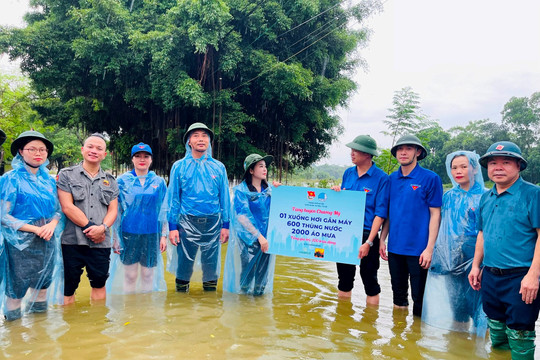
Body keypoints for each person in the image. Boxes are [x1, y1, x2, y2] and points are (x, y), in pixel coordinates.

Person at [468, 141, 540, 359]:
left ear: (519, 166)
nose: (498, 167)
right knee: (496, 326)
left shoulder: (532, 194)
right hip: (490, 275)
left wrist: (533, 276)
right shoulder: (485, 197)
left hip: (521, 277)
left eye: (506, 162)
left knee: (520, 333)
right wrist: (475, 266)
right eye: (493, 163)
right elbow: (482, 233)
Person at [0, 130, 63, 321]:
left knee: (42, 286)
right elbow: (4, 216)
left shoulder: (50, 181)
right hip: (19, 244)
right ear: (21, 151)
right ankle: (15, 337)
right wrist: (35, 229)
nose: (38, 153)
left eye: (42, 150)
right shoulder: (10, 179)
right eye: (32, 149)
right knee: (16, 290)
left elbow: (59, 210)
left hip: (47, 241)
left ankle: (39, 334)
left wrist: (52, 224)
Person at [422, 151, 487, 335]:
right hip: (451, 259)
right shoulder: (448, 197)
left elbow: (488, 232)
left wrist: (481, 263)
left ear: (474, 169)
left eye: (464, 167)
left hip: (476, 259)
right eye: (454, 167)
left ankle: (478, 345)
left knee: (478, 307)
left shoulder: (486, 196)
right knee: (457, 306)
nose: (458, 171)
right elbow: (439, 225)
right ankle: (457, 345)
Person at [380, 134, 443, 316]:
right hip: (395, 249)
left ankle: (417, 338)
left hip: (419, 251)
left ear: (418, 152)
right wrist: (382, 240)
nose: (403, 152)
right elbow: (389, 214)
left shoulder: (430, 178)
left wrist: (429, 248)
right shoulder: (391, 179)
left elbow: (435, 214)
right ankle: (399, 338)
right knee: (398, 297)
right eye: (400, 149)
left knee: (420, 298)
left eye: (408, 148)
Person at [164, 123, 230, 293]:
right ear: (189, 142)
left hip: (213, 222)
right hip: (186, 221)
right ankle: (181, 300)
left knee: (211, 264)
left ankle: (210, 302)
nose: (201, 139)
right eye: (196, 135)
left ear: (209, 142)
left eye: (204, 135)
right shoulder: (179, 167)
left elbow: (224, 198)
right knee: (184, 263)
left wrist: (226, 225)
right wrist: (172, 228)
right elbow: (173, 199)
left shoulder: (219, 167)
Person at [57, 133, 119, 304]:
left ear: (105, 155)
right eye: (90, 146)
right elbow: (67, 207)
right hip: (71, 241)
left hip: (101, 242)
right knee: (68, 287)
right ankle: (70, 327)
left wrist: (103, 229)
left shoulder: (110, 181)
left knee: (99, 284)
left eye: (99, 148)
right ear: (83, 149)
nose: (94, 151)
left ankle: (97, 325)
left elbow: (113, 210)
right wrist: (93, 228)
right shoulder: (66, 175)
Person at [330, 135, 389, 305]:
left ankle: (370, 324)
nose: (352, 153)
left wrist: (369, 242)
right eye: (352, 150)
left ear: (368, 154)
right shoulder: (348, 173)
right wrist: (336, 192)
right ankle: (342, 320)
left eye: (356, 150)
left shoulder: (381, 178)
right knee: (344, 280)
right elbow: (342, 204)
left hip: (366, 235)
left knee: (370, 281)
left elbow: (380, 213)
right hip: (345, 233)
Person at [106, 143, 167, 294]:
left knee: (148, 274)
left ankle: (145, 310)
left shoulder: (159, 182)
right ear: (132, 159)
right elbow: (116, 211)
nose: (142, 159)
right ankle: (130, 309)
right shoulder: (121, 181)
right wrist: (115, 237)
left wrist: (164, 235)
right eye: (138, 156)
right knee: (130, 275)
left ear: (151, 160)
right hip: (128, 233)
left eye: (146, 156)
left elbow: (164, 210)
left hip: (152, 234)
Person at [223, 154, 277, 296]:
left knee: (262, 278)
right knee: (247, 277)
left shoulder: (270, 191)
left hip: (267, 239)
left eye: (265, 166)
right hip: (249, 240)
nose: (265, 169)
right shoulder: (242, 191)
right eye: (260, 166)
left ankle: (257, 310)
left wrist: (281, 191)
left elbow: (284, 209)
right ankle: (244, 308)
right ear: (251, 171)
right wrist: (259, 236)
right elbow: (242, 216)